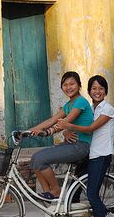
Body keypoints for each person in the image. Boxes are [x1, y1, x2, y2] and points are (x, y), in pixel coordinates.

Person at [55, 75, 114, 217]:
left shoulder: (108, 110)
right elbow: (71, 129)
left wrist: (68, 126)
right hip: (87, 154)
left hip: (101, 156)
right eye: (94, 89)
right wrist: (65, 132)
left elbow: (89, 129)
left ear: (105, 91)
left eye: (100, 88)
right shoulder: (89, 109)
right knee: (72, 194)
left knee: (92, 195)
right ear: (89, 91)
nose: (97, 92)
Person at [29, 71, 93, 200]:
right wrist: (28, 131)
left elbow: (65, 122)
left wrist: (48, 132)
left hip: (81, 146)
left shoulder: (80, 102)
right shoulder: (68, 104)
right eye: (65, 85)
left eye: (72, 84)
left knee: (41, 160)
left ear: (79, 85)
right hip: (72, 144)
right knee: (34, 159)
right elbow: (52, 120)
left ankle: (55, 191)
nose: (68, 87)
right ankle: (48, 193)